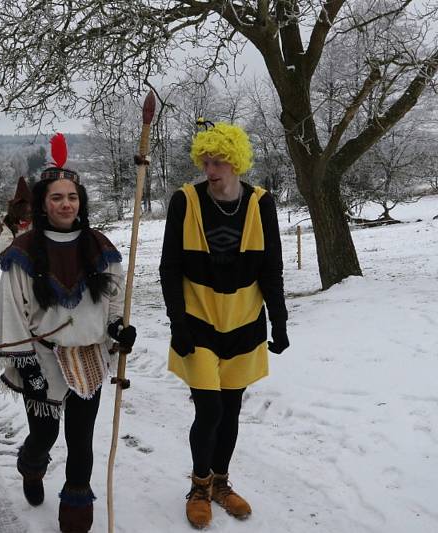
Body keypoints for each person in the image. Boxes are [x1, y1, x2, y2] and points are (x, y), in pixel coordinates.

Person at [0, 134, 136, 533]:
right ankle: (32, 463)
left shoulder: (99, 246)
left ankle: (76, 512)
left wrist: (117, 328)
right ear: (43, 203)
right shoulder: (23, 251)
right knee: (45, 432)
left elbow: (113, 297)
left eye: (72, 197)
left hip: (88, 357)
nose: (65, 204)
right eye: (56, 197)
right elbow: (13, 308)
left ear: (81, 201)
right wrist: (24, 362)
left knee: (81, 440)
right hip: (41, 358)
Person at [159, 121, 289, 529]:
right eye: (206, 161)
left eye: (219, 162)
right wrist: (177, 323)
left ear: (237, 164)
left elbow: (271, 267)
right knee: (210, 408)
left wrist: (279, 321)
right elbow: (169, 267)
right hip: (198, 321)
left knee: (231, 409)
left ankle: (220, 483)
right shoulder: (185, 201)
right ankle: (198, 485)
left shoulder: (260, 204)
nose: (211, 169)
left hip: (245, 321)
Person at [0, 175, 32, 253]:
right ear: (18, 210)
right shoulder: (8, 224)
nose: (29, 215)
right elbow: (4, 247)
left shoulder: (37, 223)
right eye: (26, 212)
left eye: (31, 212)